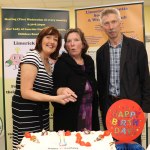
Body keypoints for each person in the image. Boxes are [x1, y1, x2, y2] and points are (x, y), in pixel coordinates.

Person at [12, 26, 76, 149]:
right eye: (48, 37)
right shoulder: (32, 57)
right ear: (39, 40)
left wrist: (60, 92)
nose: (52, 41)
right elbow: (25, 92)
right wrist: (54, 98)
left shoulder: (49, 63)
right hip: (27, 116)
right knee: (28, 145)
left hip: (42, 116)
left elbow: (47, 88)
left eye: (55, 39)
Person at [96, 7, 150, 144]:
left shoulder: (137, 47)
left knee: (132, 144)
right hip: (111, 108)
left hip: (132, 108)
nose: (111, 27)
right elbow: (102, 85)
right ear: (102, 27)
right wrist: (103, 110)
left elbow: (145, 79)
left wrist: (145, 109)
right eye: (106, 23)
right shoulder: (101, 52)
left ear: (120, 23)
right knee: (113, 144)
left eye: (114, 22)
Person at [52, 28, 100, 132]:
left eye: (76, 40)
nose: (72, 44)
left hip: (90, 114)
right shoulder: (61, 64)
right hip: (69, 118)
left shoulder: (89, 62)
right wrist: (59, 91)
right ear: (66, 47)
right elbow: (53, 92)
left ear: (83, 44)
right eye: (69, 41)